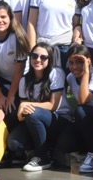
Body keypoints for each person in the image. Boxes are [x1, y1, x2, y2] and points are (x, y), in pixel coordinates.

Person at [7, 42, 66, 172]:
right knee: (14, 143)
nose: (38, 60)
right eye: (34, 56)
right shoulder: (24, 80)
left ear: (49, 60)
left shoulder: (56, 73)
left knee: (33, 113)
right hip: (35, 121)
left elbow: (53, 105)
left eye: (43, 57)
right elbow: (24, 109)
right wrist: (23, 108)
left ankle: (42, 157)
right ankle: (37, 150)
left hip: (58, 119)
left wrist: (27, 105)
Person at [55, 43, 93, 174]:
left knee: (80, 110)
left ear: (88, 61)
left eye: (79, 62)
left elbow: (83, 100)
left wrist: (86, 72)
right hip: (86, 120)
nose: (75, 66)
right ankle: (89, 150)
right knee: (64, 143)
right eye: (71, 62)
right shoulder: (70, 77)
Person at [27, 0, 81, 68]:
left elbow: (75, 24)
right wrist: (33, 50)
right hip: (42, 48)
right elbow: (31, 22)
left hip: (65, 49)